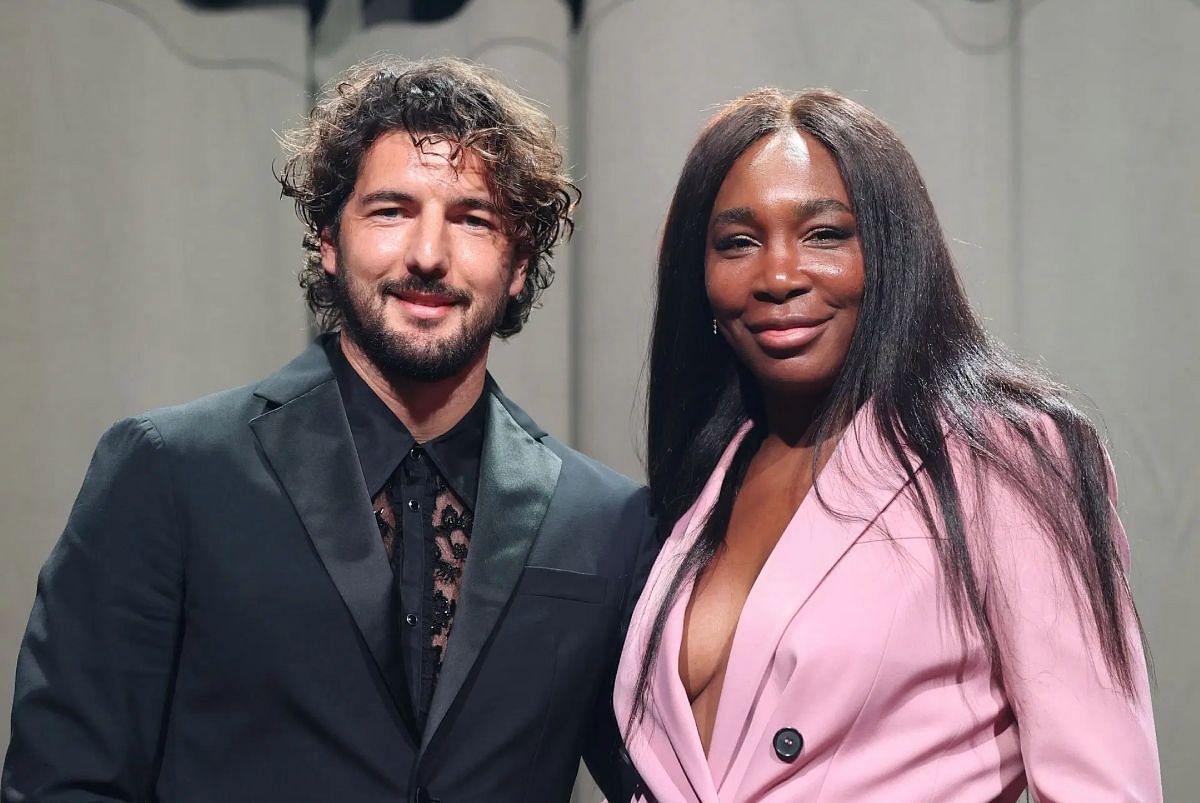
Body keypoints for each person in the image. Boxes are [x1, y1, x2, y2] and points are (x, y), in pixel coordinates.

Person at [3, 56, 654, 803]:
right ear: (329, 239)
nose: (428, 254)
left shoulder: (604, 520)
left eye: (472, 219)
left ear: (518, 264)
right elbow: (66, 780)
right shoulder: (169, 473)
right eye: (390, 210)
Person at [614, 88, 1160, 801]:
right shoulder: (705, 482)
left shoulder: (1005, 456)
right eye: (739, 242)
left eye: (825, 234)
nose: (779, 276)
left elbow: (1101, 785)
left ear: (893, 253)